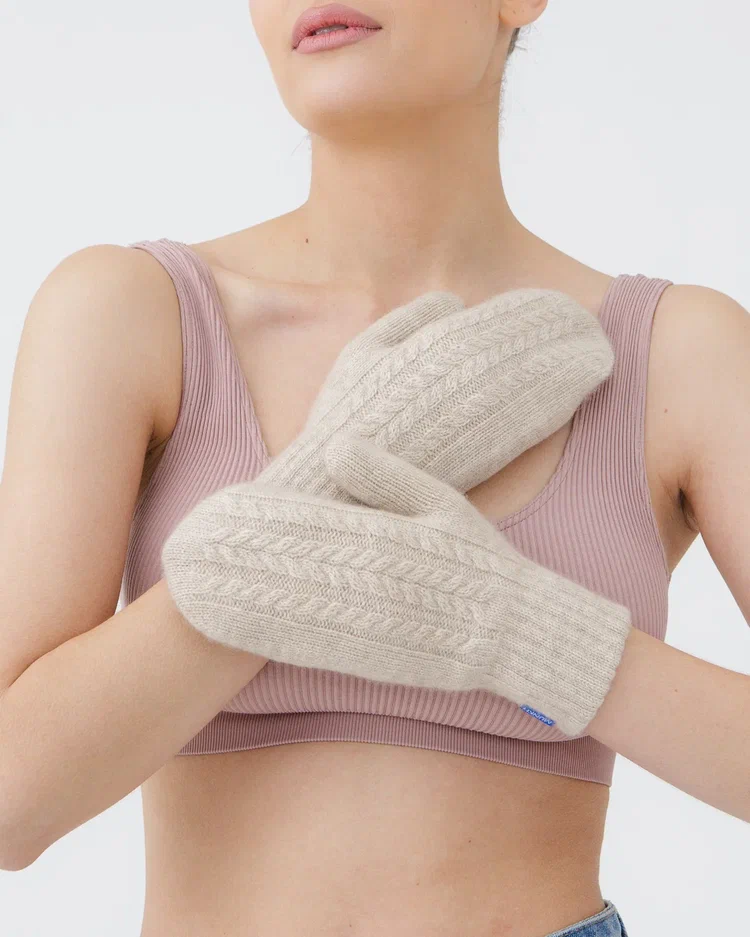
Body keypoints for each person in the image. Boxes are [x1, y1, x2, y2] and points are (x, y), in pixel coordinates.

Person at [1, 2, 749, 935]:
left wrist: (522, 629)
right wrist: (313, 505)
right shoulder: (129, 314)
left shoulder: (674, 354)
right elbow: (12, 802)